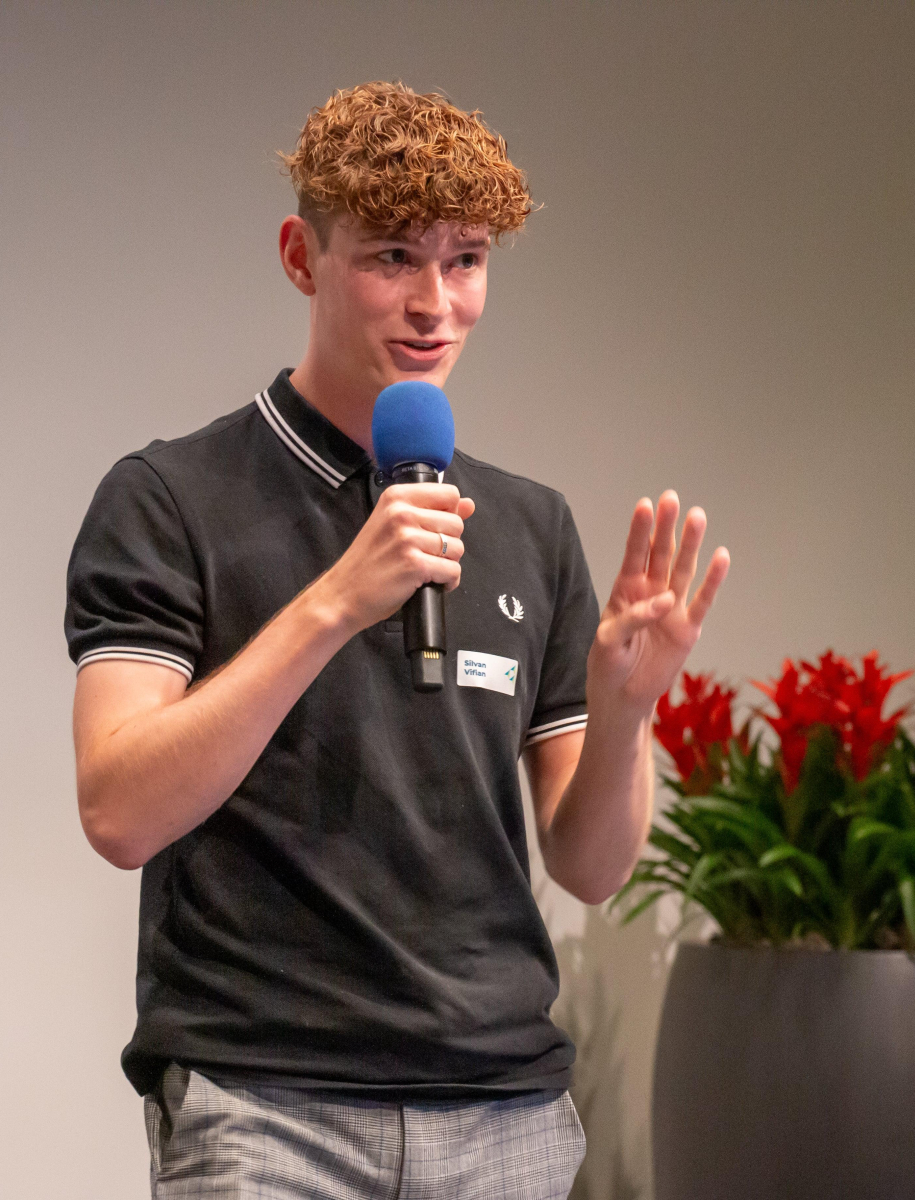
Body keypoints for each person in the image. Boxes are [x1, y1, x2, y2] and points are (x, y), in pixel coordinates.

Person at [65, 81, 728, 1199]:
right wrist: (334, 603)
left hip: (506, 1112)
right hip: (267, 1107)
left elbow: (591, 864)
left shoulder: (531, 525)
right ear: (301, 256)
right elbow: (119, 812)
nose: (435, 304)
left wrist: (625, 708)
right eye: (392, 258)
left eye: (466, 261)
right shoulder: (170, 498)